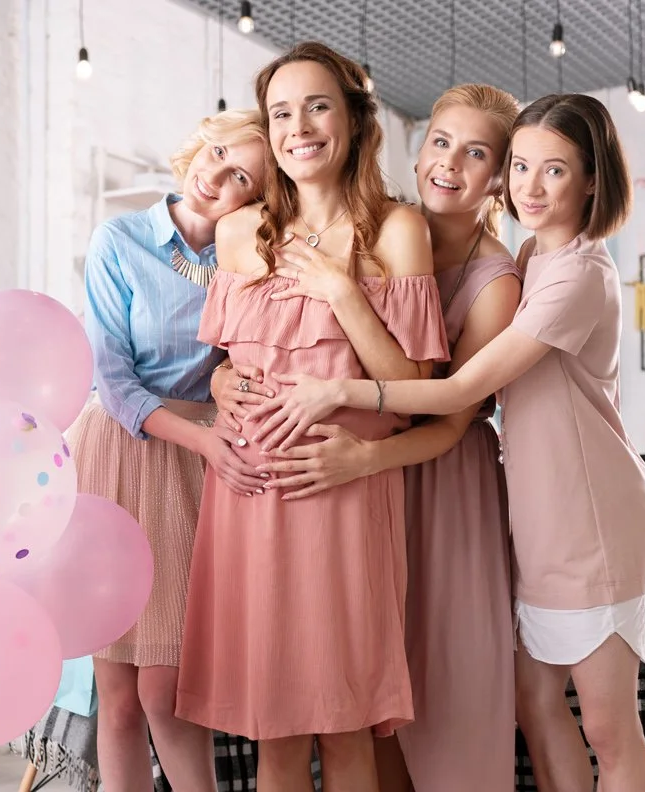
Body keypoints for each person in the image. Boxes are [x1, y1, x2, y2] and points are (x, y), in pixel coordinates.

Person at [252, 93, 645, 792]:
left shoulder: (548, 274)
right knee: (530, 705)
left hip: (576, 514)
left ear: (589, 180)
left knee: (602, 726)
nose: (530, 185)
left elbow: (455, 396)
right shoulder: (534, 252)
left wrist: (343, 394)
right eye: (523, 166)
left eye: (547, 170)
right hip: (524, 508)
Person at [214, 83, 523, 792]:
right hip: (333, 482)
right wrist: (222, 382)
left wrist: (344, 300)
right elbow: (240, 352)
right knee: (323, 712)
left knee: (426, 696)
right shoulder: (382, 230)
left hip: (431, 478)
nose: (449, 163)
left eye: (476, 153)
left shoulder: (478, 273)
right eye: (441, 142)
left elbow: (441, 410)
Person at [175, 42, 449, 792]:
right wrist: (225, 381)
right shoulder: (239, 233)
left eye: (318, 105)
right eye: (282, 112)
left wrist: (342, 292)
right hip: (248, 498)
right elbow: (228, 362)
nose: (300, 127)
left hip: (342, 491)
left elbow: (412, 389)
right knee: (276, 734)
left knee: (345, 724)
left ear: (355, 121)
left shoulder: (398, 232)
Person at [70, 109, 270, 792]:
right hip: (122, 451)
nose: (217, 174)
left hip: (195, 469)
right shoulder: (119, 239)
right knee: (118, 697)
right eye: (217, 152)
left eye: (242, 173)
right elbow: (113, 378)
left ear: (258, 197)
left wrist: (214, 436)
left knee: (168, 689)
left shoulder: (248, 263)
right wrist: (203, 439)